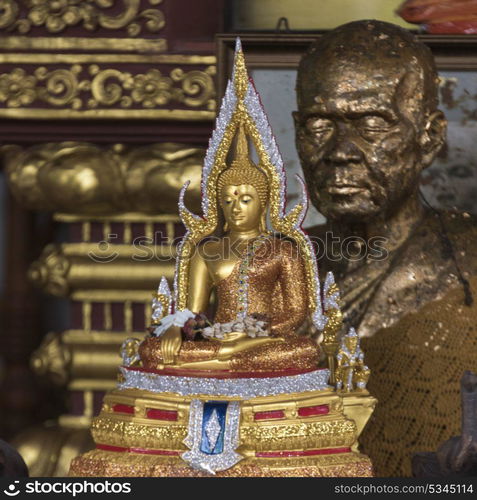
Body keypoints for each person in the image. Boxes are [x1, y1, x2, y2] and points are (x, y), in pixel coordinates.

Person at [294, 19, 477, 476]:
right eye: (319, 124)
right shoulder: (263, 269)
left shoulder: (468, 262)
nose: (341, 151)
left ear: (429, 136)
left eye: (373, 123)